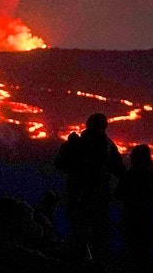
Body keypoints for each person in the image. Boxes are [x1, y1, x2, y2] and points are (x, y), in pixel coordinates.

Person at [52, 113, 126, 265]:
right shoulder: (108, 146)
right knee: (96, 232)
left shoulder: (79, 143)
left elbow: (60, 164)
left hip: (78, 193)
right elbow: (120, 170)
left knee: (78, 228)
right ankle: (94, 266)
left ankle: (77, 262)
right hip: (98, 196)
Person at [116, 143, 153, 273]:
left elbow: (118, 193)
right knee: (144, 254)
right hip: (147, 219)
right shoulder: (152, 175)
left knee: (130, 253)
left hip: (131, 218)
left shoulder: (132, 175)